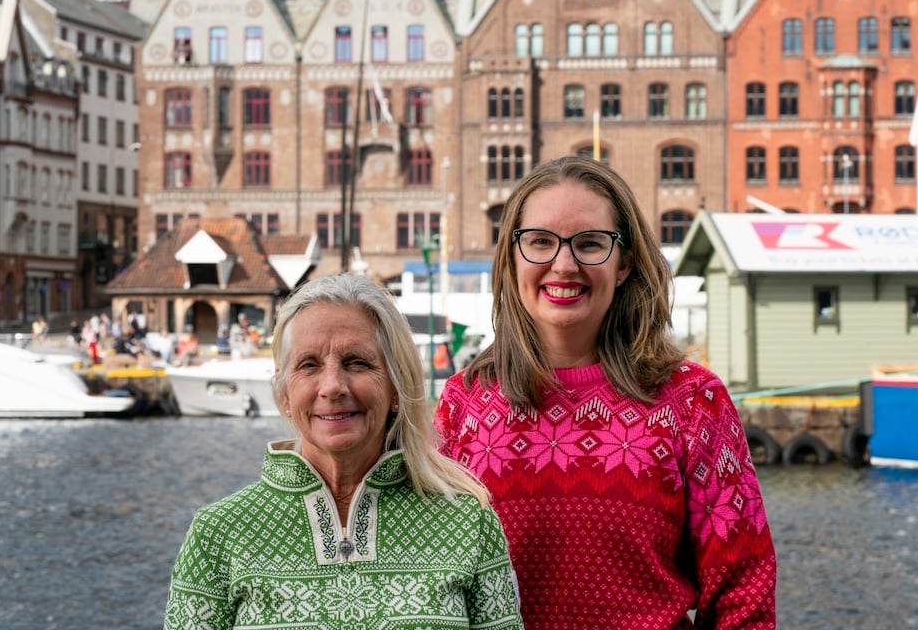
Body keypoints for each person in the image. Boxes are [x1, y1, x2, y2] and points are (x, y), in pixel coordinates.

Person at [436, 156, 776, 629]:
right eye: (539, 242)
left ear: (624, 265)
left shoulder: (693, 403)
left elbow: (744, 591)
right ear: (512, 257)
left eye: (590, 243)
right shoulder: (462, 404)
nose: (564, 264)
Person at [163, 274, 524, 630]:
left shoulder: (467, 523)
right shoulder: (218, 534)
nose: (333, 386)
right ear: (285, 395)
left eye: (357, 362)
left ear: (397, 388)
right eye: (309, 365)